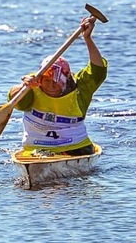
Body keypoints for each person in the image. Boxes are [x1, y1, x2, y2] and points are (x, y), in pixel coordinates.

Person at [9, 15, 107, 157]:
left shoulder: (80, 88)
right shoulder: (34, 83)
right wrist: (23, 86)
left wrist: (88, 39)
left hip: (76, 147)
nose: (50, 86)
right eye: (47, 81)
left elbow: (98, 71)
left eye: (56, 82)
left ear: (66, 80)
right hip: (36, 148)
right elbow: (14, 99)